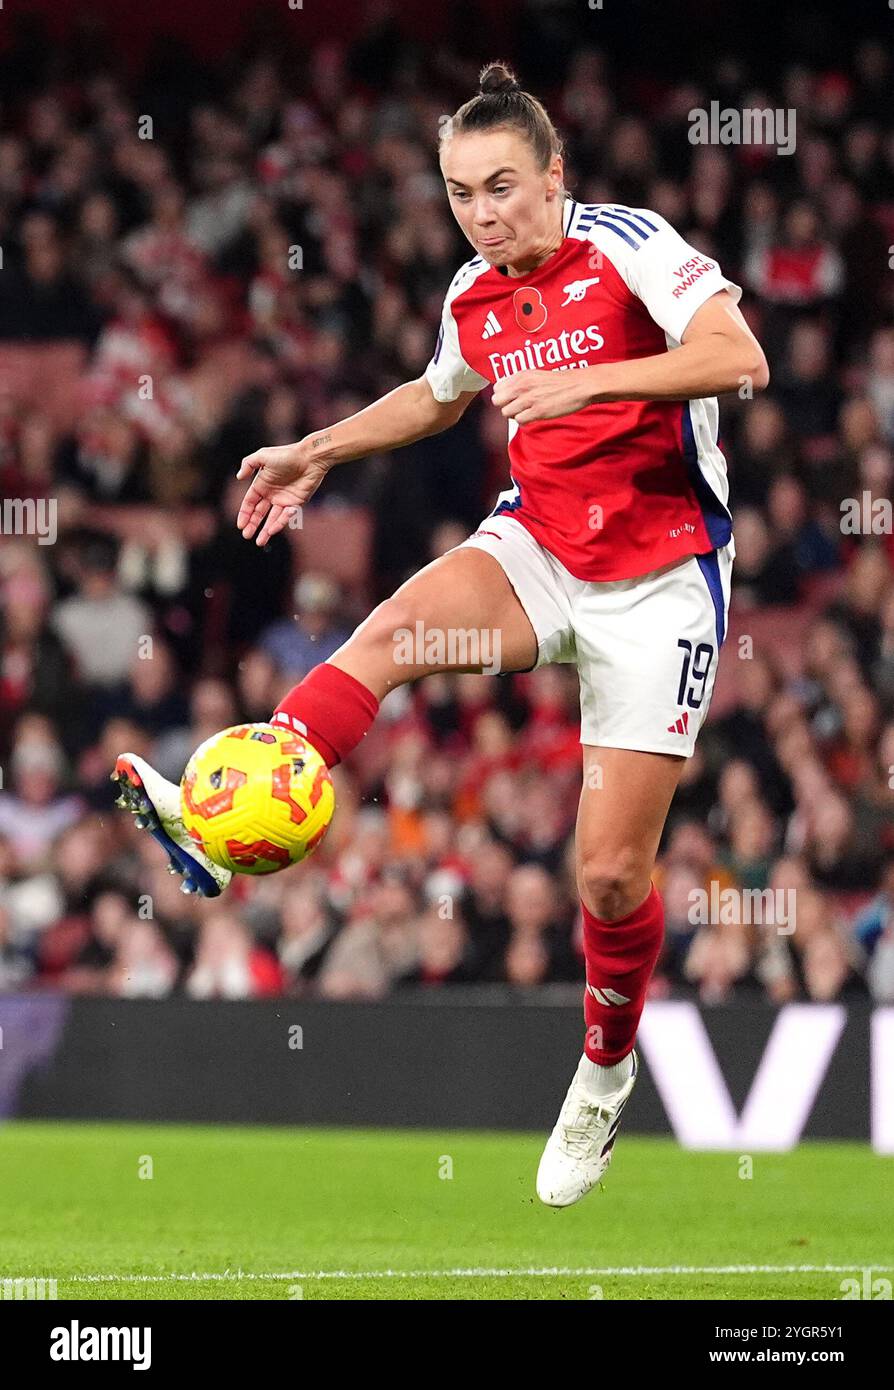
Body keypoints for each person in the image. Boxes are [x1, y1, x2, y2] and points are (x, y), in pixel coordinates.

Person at [113, 62, 768, 1207]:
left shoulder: (629, 246)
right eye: (462, 193)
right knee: (391, 633)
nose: (483, 213)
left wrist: (591, 385)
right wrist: (319, 447)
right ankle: (222, 820)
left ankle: (605, 1077)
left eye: (504, 186)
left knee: (609, 876)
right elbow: (437, 391)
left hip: (661, 581)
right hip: (540, 551)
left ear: (555, 174)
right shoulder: (475, 290)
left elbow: (737, 359)